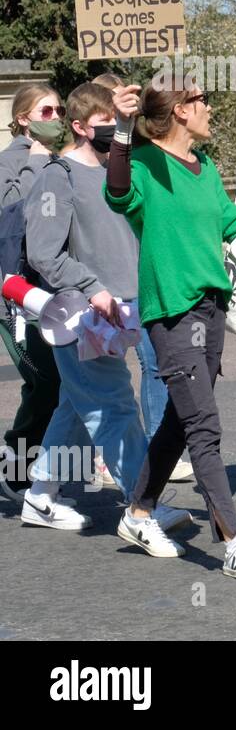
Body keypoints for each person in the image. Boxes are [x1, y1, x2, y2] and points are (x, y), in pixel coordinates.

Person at [106, 78, 236, 579]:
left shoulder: (204, 166)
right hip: (171, 312)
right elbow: (118, 194)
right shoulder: (144, 162)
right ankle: (234, 543)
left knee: (181, 421)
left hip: (210, 309)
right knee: (205, 427)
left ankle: (139, 511)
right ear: (181, 111)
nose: (211, 107)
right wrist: (123, 129)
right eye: (203, 99)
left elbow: (234, 222)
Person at [18, 82, 190, 536]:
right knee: (115, 406)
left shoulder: (121, 169)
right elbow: (43, 253)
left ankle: (39, 496)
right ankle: (142, 502)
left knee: (76, 406)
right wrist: (92, 288)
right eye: (105, 124)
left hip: (124, 309)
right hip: (81, 314)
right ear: (78, 126)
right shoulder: (59, 176)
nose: (115, 131)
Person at [0, 83, 71, 505]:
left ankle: (29, 459)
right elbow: (13, 217)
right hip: (15, 296)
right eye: (46, 111)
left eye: (60, 109)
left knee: (56, 379)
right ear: (24, 118)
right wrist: (35, 165)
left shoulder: (60, 160)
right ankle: (16, 465)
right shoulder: (9, 162)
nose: (56, 117)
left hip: (52, 292)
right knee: (45, 379)